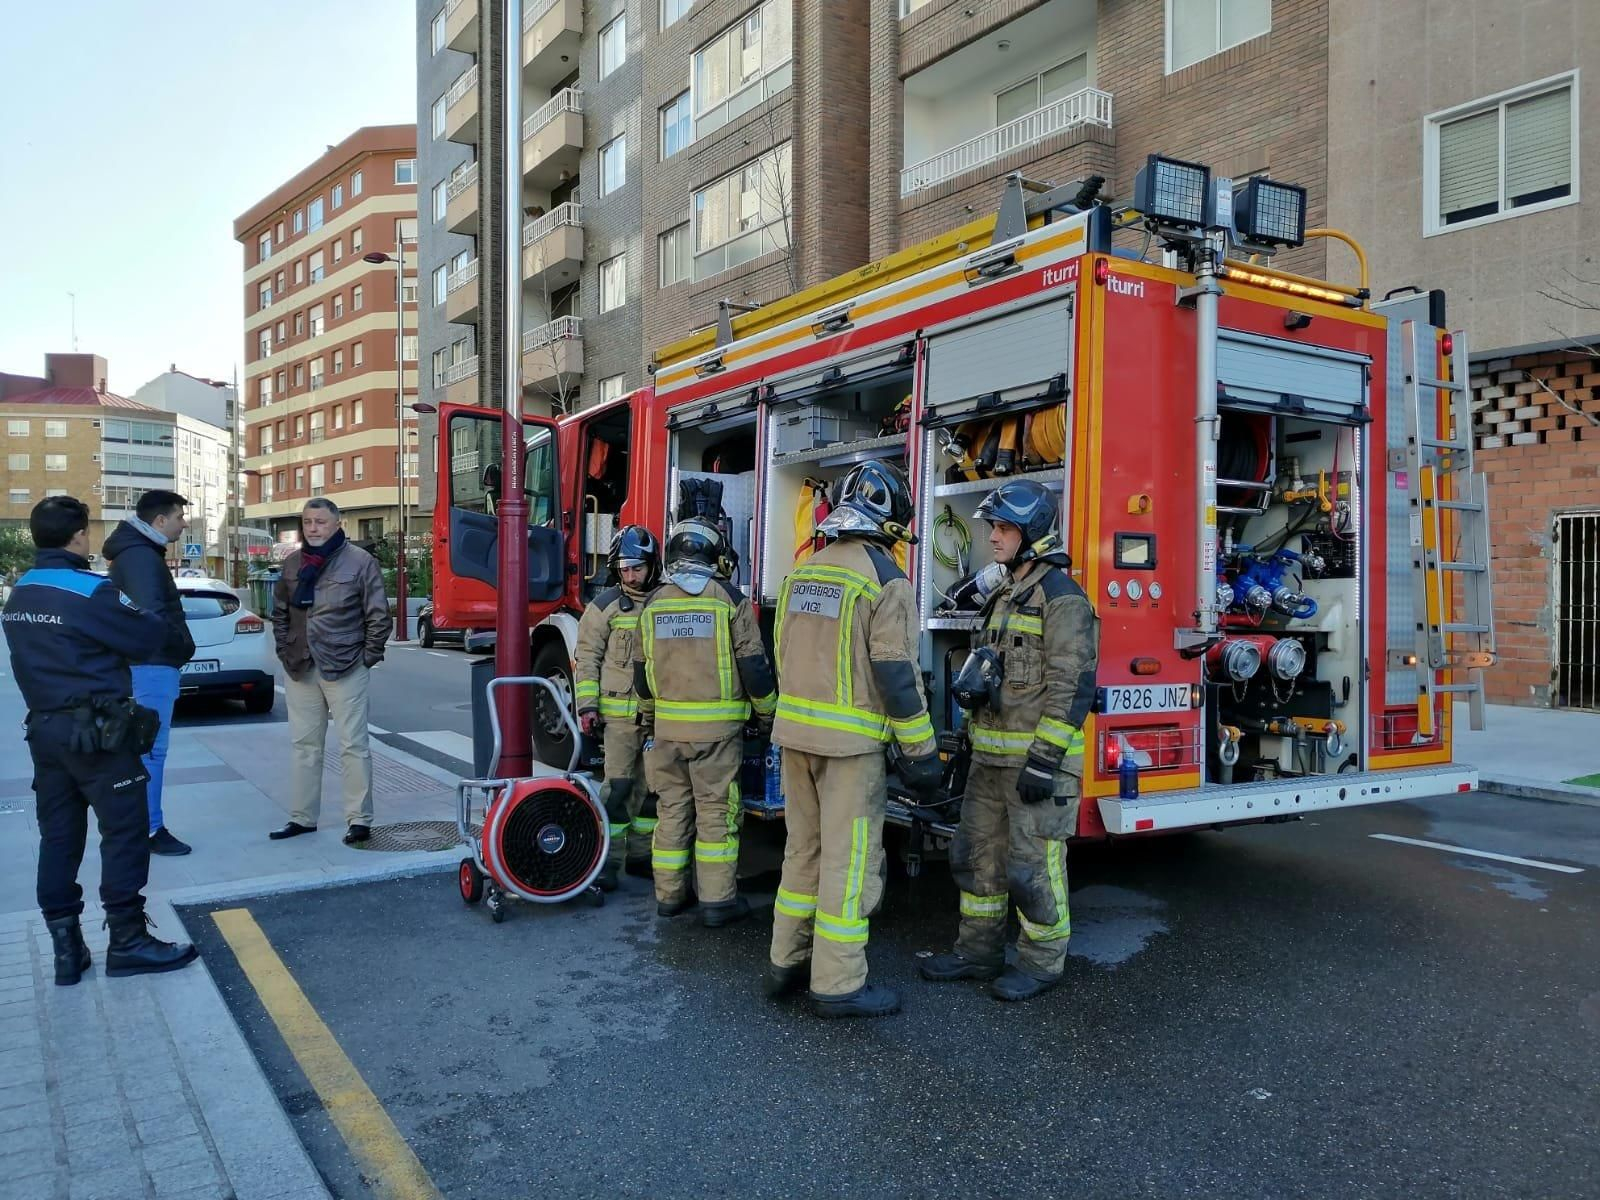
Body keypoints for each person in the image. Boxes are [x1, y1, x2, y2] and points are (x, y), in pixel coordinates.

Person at [766, 462, 944, 1020]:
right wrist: (921, 754)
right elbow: (896, 675)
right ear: (888, 519)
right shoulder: (885, 579)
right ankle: (839, 983)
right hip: (850, 751)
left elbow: (780, 652)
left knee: (803, 853)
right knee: (850, 863)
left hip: (794, 739)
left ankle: (786, 963)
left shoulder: (803, 571)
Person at [2, 496, 198, 984]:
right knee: (126, 831)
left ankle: (67, 952)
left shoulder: (20, 592)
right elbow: (146, 634)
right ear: (79, 536)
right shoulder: (88, 590)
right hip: (99, 733)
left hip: (45, 732)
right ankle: (129, 941)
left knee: (59, 838)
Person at [921, 479, 1099, 1002]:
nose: (992, 538)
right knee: (975, 856)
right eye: (992, 527)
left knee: (1031, 867)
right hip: (990, 760)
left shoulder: (1063, 599)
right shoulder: (1003, 593)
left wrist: (1045, 762)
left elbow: (1073, 686)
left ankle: (1042, 962)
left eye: (1002, 528)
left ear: (1033, 534)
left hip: (1035, 767)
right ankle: (978, 952)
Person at [633, 518, 776, 928]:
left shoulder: (654, 602)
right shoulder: (729, 599)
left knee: (672, 810)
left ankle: (669, 897)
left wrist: (648, 717)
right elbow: (754, 666)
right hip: (717, 734)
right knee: (715, 813)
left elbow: (642, 672)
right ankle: (717, 903)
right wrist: (767, 715)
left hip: (668, 732)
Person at [268, 498, 392, 844]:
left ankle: (359, 820)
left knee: (354, 745)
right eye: (308, 522)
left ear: (338, 525)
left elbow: (379, 616)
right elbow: (279, 613)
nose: (313, 528)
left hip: (346, 664)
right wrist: (284, 650)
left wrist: (367, 657)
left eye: (320, 522)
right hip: (301, 667)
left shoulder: (360, 562)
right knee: (304, 745)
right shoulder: (293, 564)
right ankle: (302, 818)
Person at [103, 489, 196, 857]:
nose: (183, 524)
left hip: (148, 663)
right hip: (152, 665)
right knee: (151, 751)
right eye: (179, 517)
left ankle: (142, 825)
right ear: (159, 521)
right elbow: (149, 615)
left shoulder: (137, 551)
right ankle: (150, 829)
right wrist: (178, 645)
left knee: (144, 750)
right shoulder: (141, 556)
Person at [574, 524, 663, 891]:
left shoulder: (666, 601)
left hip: (658, 717)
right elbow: (587, 658)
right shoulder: (605, 606)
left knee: (652, 792)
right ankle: (606, 863)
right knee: (619, 789)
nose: (630, 575)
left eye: (637, 568)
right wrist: (587, 707)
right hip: (621, 719)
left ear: (651, 565)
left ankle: (641, 858)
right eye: (624, 569)